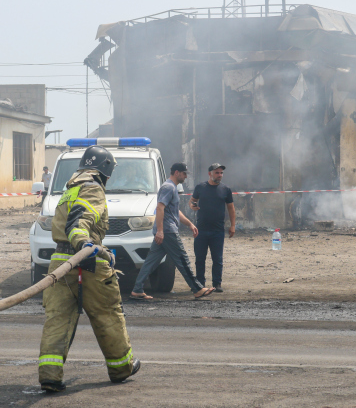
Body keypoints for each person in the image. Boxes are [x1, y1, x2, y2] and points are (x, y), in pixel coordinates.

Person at [38, 145, 140, 393]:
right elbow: (79, 222)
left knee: (58, 319)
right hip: (87, 261)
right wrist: (85, 244)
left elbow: (70, 220)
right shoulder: (93, 188)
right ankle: (121, 368)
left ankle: (50, 375)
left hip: (60, 262)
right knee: (107, 314)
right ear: (105, 169)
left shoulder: (70, 189)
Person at [130, 162, 214, 300]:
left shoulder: (172, 187)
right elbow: (160, 208)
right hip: (168, 231)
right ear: (177, 173)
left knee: (150, 262)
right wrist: (161, 231)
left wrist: (190, 224)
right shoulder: (168, 187)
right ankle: (197, 289)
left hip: (165, 231)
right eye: (184, 173)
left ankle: (137, 289)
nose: (186, 177)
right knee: (182, 259)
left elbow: (175, 211)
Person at [189, 163, 236, 291]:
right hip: (201, 229)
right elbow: (192, 201)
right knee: (200, 258)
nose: (220, 175)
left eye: (221, 173)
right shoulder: (200, 187)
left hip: (218, 230)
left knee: (217, 259)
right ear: (210, 173)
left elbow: (231, 208)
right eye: (217, 172)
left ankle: (217, 283)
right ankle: (200, 284)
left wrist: (232, 225)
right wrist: (192, 205)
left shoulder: (226, 189)